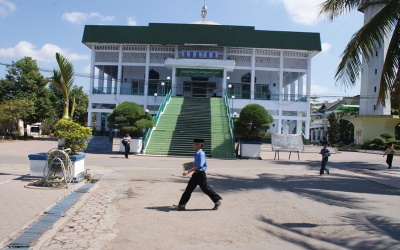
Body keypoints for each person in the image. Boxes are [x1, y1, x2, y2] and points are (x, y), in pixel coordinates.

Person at [175, 138, 222, 211]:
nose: (193, 145)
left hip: (200, 175)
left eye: (194, 144)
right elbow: (196, 164)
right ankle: (181, 205)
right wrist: (188, 166)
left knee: (205, 189)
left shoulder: (201, 153)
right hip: (196, 174)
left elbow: (199, 166)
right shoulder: (197, 153)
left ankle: (217, 201)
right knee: (188, 189)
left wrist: (188, 171)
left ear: (199, 145)